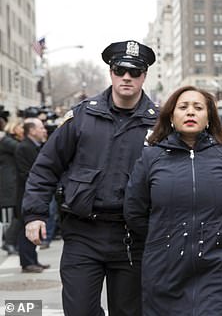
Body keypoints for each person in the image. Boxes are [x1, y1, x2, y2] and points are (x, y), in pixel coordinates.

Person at [22, 40, 159, 316]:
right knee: (79, 310)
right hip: (83, 233)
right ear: (111, 72)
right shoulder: (82, 116)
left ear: (144, 75)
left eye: (135, 72)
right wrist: (34, 214)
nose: (127, 77)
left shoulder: (160, 124)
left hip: (133, 238)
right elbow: (46, 167)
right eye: (120, 70)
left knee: (130, 312)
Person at [124, 86, 222, 315]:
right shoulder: (151, 156)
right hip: (164, 265)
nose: (190, 112)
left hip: (216, 265)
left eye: (198, 107)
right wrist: (162, 237)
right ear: (171, 116)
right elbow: (134, 210)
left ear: (209, 117)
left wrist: (214, 235)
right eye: (183, 107)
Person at [15, 118, 50, 273]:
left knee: (33, 232)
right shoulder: (24, 147)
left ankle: (33, 260)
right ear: (32, 130)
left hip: (31, 194)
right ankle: (27, 263)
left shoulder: (36, 146)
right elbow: (26, 173)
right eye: (41, 128)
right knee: (25, 231)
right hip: (25, 195)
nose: (44, 130)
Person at [0, 118, 24, 255]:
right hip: (10, 182)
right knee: (16, 215)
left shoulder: (8, 140)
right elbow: (21, 149)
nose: (23, 130)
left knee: (18, 214)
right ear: (14, 128)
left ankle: (10, 242)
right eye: (20, 127)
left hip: (13, 181)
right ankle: (8, 242)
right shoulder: (7, 141)